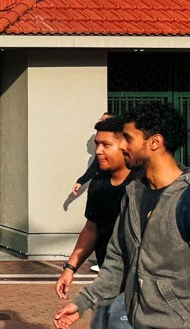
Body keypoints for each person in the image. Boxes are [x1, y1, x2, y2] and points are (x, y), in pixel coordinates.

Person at [56, 102, 190, 329]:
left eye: (128, 138)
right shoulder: (133, 194)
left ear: (155, 142)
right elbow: (117, 262)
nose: (122, 145)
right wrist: (84, 302)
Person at [56, 116, 136, 299]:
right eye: (96, 144)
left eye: (106, 145)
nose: (98, 151)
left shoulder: (145, 184)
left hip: (143, 287)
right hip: (110, 282)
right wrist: (70, 269)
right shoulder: (99, 183)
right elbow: (92, 229)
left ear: (126, 146)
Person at [69, 113, 117, 199]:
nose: (100, 122)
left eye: (103, 120)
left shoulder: (120, 143)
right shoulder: (101, 147)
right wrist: (80, 182)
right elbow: (95, 166)